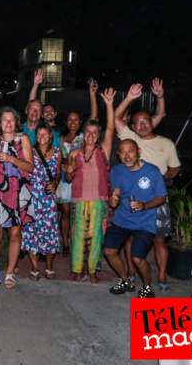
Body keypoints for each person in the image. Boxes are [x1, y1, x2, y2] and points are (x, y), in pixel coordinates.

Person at [114, 82, 180, 293]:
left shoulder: (166, 143)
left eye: (146, 121)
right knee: (130, 237)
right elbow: (115, 119)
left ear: (152, 123)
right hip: (133, 199)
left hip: (157, 199)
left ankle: (161, 274)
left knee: (160, 240)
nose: (142, 125)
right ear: (132, 127)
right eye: (137, 123)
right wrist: (129, 98)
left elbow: (175, 168)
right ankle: (131, 270)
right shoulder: (130, 139)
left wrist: (164, 179)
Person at [63, 88, 116, 286]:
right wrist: (68, 171)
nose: (91, 135)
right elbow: (68, 179)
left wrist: (109, 104)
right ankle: (77, 271)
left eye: (95, 132)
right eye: (88, 132)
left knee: (96, 237)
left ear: (98, 134)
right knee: (77, 237)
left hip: (99, 200)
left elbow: (111, 128)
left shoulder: (104, 149)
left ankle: (92, 271)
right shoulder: (75, 152)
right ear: (83, 134)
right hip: (78, 199)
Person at [103, 139, 167, 298]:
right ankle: (125, 280)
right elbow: (116, 192)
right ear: (118, 155)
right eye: (123, 151)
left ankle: (147, 287)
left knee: (138, 258)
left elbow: (161, 198)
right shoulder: (117, 170)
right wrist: (114, 200)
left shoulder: (152, 171)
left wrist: (144, 206)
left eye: (130, 150)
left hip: (144, 222)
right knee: (109, 251)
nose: (127, 155)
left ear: (138, 151)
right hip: (122, 219)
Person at [0, 106, 34, 289]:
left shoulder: (23, 139)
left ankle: (10, 273)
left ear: (16, 122)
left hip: (18, 191)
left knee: (14, 234)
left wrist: (11, 158)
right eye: (4, 119)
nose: (8, 123)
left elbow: (30, 167)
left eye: (11, 119)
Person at [55, 80, 99, 258]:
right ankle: (65, 242)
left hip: (82, 178)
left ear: (81, 122)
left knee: (80, 214)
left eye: (76, 119)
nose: (73, 122)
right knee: (65, 213)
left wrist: (92, 94)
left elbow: (94, 116)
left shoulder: (85, 136)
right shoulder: (58, 138)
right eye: (70, 119)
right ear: (66, 122)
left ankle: (80, 243)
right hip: (64, 180)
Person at [23, 121, 61, 280]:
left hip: (48, 198)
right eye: (39, 134)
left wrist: (55, 182)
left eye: (45, 133)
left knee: (50, 231)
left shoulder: (58, 153)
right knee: (31, 231)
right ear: (36, 136)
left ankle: (50, 265)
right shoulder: (30, 151)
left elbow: (58, 174)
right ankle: (34, 266)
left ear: (51, 135)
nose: (42, 137)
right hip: (32, 197)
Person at [26, 69, 60, 146]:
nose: (35, 112)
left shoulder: (49, 132)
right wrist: (35, 84)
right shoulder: (17, 129)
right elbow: (31, 103)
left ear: (41, 114)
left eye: (38, 110)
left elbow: (54, 155)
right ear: (26, 110)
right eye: (32, 109)